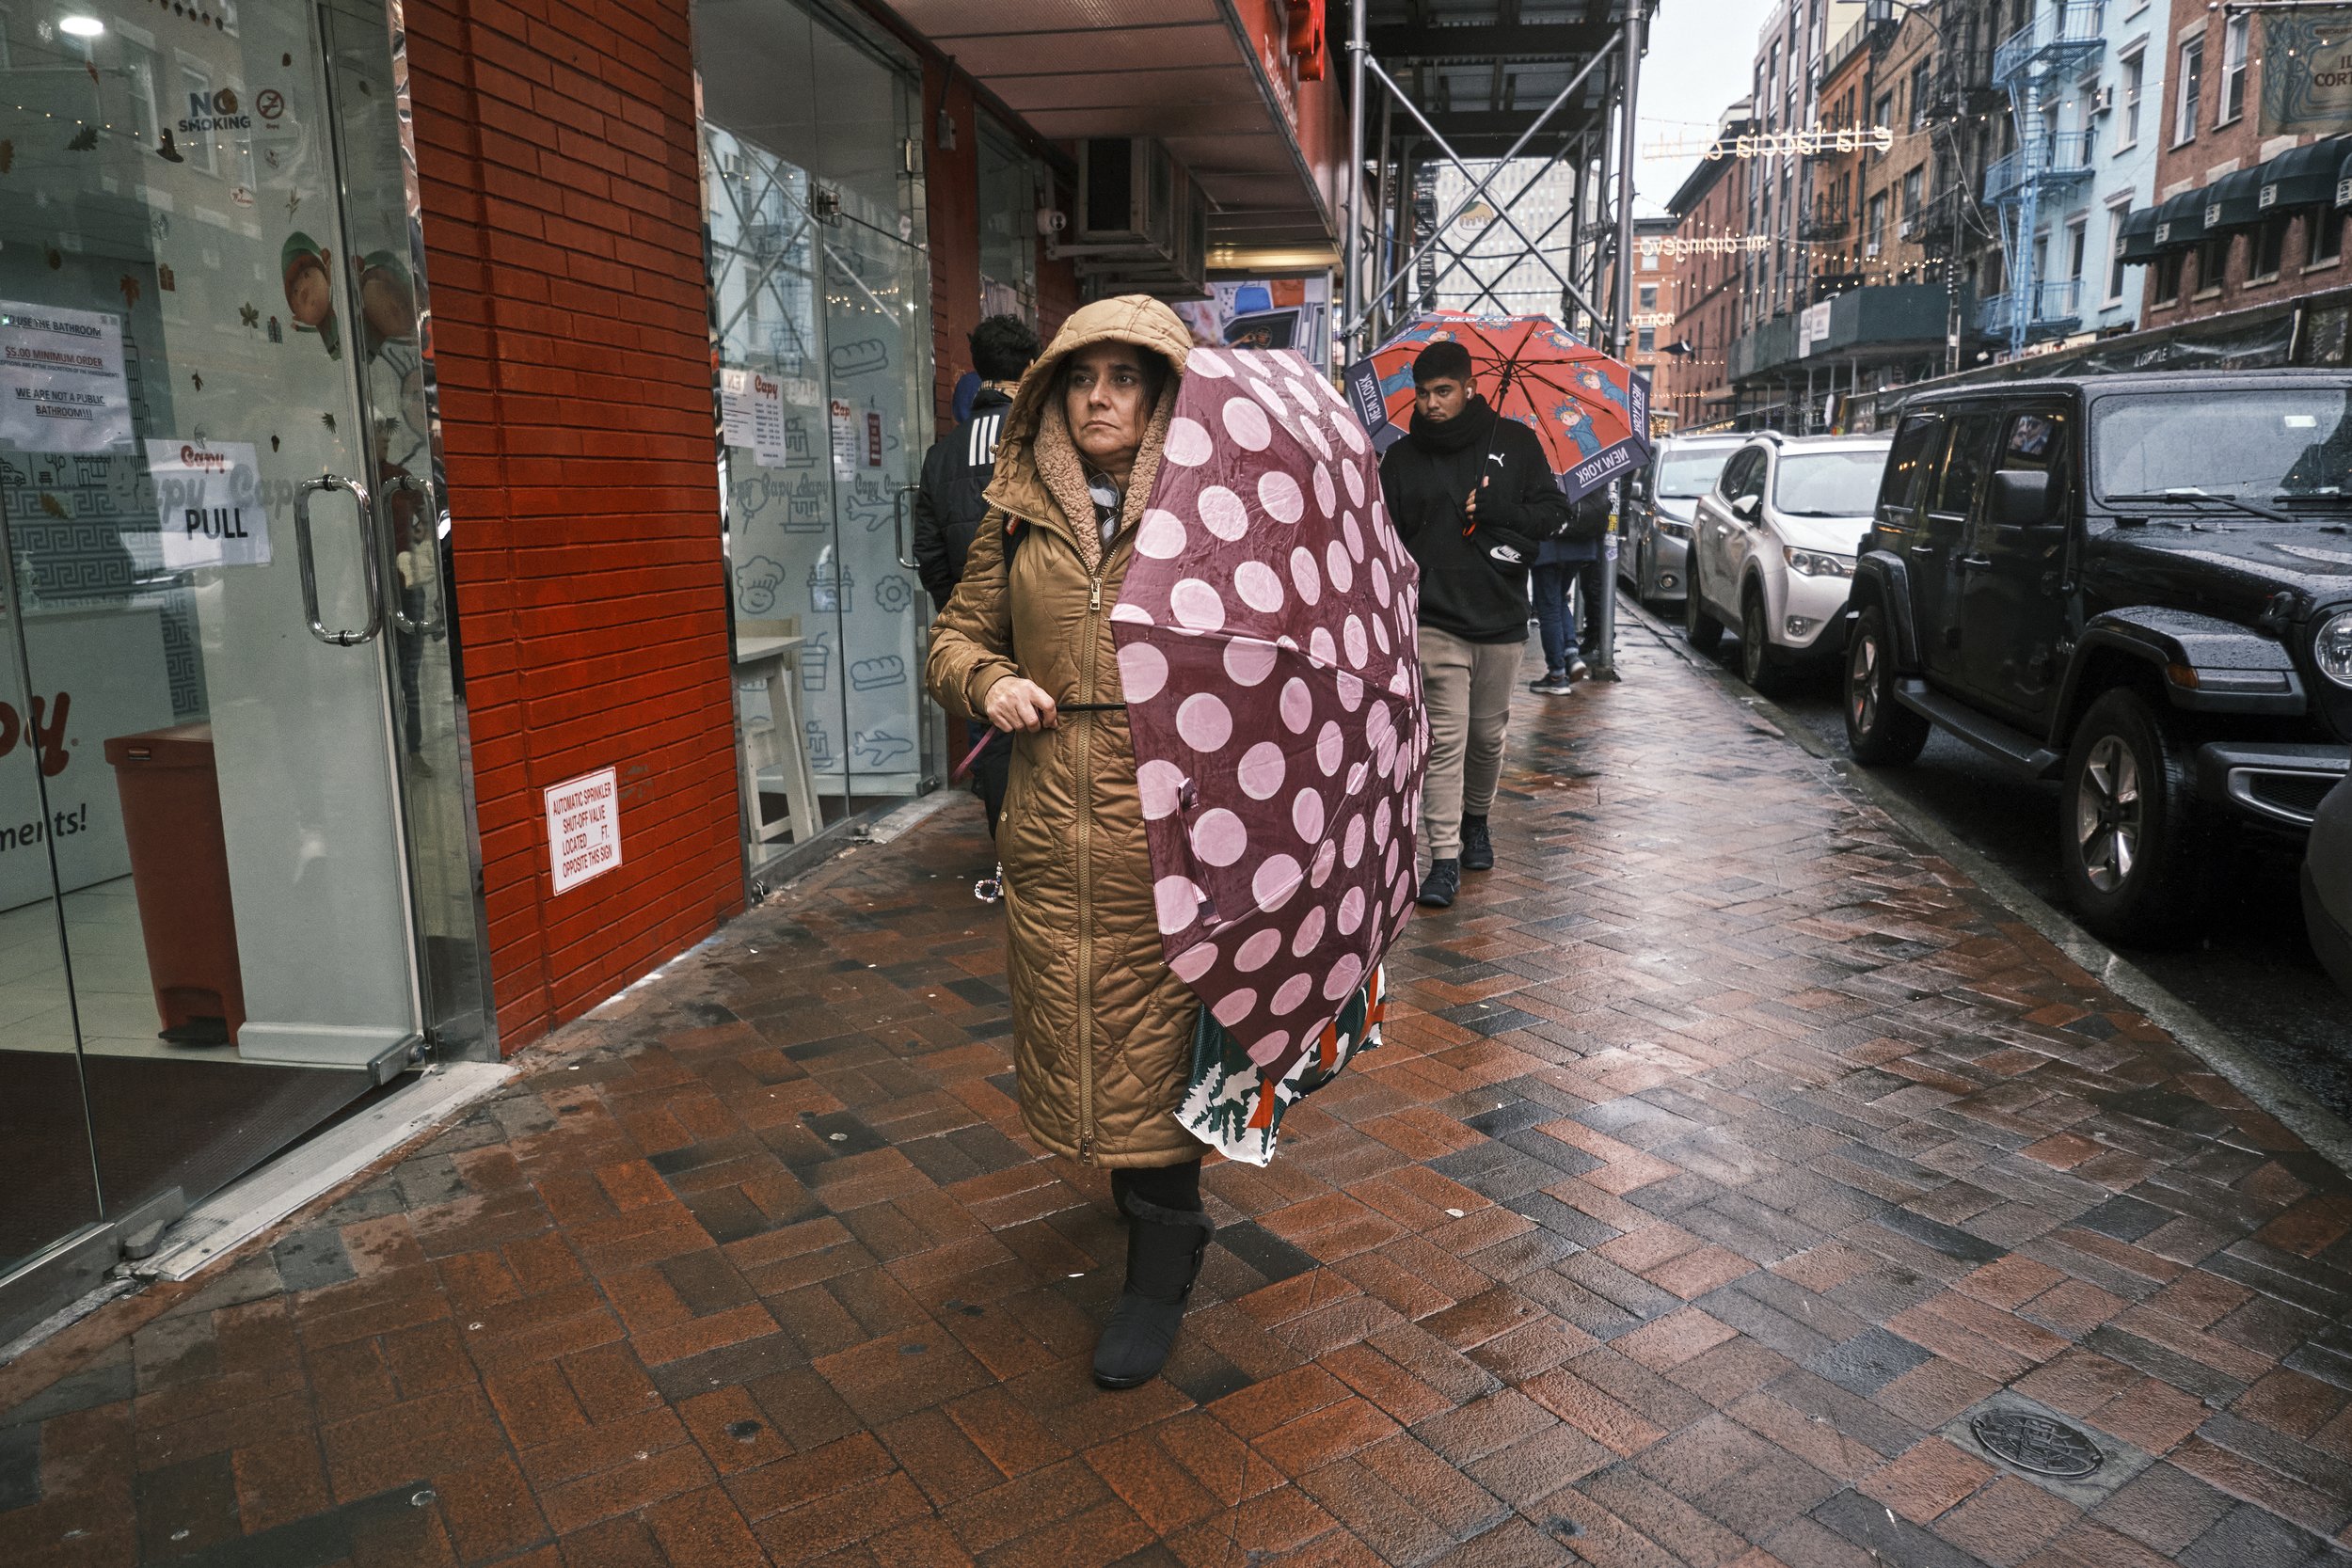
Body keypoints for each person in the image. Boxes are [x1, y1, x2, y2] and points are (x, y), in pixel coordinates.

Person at [926, 295, 1212, 1391]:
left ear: (1162, 395)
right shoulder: (1015, 517)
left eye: (1126, 376)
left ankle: (1164, 1245)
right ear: (1051, 389)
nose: (1101, 395)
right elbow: (954, 635)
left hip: (1174, 825)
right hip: (1049, 822)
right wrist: (989, 678)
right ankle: (1135, 1193)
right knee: (1081, 1017)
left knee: (1162, 1031)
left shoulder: (1211, 513)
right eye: (1083, 375)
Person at [1378, 341, 1571, 909]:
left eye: (1444, 392)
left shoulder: (1513, 443)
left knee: (1488, 739)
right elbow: (1385, 538)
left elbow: (1554, 514)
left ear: (1470, 389)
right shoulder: (1403, 458)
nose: (1433, 404)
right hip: (1433, 619)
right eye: (1423, 393)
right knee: (1445, 742)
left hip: (1502, 617)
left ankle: (1476, 823)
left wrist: (1499, 511)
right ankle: (1441, 859)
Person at [914, 314, 1041, 837]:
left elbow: (926, 548)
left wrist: (959, 606)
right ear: (1031, 368)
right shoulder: (1042, 441)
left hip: (973, 636)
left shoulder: (942, 453)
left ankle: (1002, 833)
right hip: (1041, 621)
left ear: (977, 372)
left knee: (989, 728)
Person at [1528, 488, 1609, 694]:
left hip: (1549, 543)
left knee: (1548, 608)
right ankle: (1571, 655)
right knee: (1559, 599)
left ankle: (1557, 674)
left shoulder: (1545, 465)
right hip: (1580, 542)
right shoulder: (1580, 462)